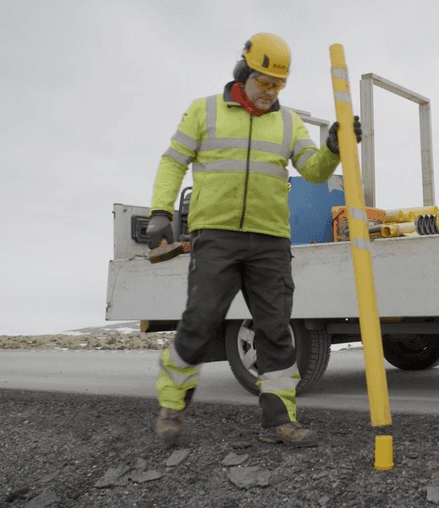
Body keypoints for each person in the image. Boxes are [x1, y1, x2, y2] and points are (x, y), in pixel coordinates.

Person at [147, 33, 362, 448]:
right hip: (217, 236)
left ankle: (278, 421)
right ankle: (172, 405)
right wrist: (160, 211)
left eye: (278, 85)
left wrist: (334, 146)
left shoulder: (288, 122)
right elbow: (173, 162)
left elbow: (314, 171)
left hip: (270, 241)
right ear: (244, 72)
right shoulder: (204, 111)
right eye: (264, 82)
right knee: (199, 321)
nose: (270, 92)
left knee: (276, 332)